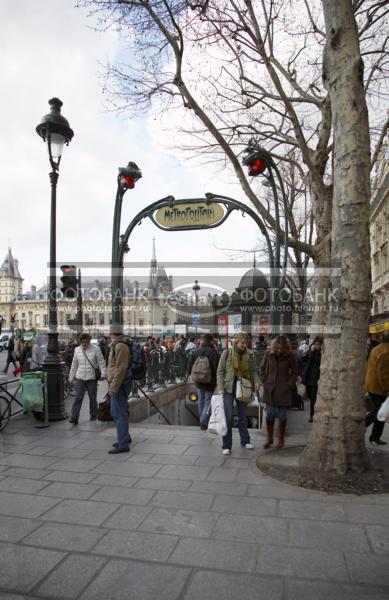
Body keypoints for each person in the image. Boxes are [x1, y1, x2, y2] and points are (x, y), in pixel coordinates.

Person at [217, 332, 260, 455]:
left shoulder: (250, 355)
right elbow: (220, 371)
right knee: (228, 417)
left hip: (243, 388)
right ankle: (226, 445)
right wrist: (220, 388)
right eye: (242, 343)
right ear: (236, 342)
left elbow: (253, 370)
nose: (244, 345)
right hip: (228, 388)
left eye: (246, 343)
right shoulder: (227, 353)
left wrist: (256, 381)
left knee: (242, 416)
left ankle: (245, 441)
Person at [260, 335, 298, 449]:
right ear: (275, 346)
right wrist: (264, 381)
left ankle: (281, 439)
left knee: (282, 416)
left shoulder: (290, 356)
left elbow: (295, 372)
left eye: (282, 347)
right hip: (270, 389)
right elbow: (262, 368)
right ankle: (269, 438)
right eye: (278, 347)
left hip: (283, 390)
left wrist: (289, 385)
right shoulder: (268, 353)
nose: (280, 349)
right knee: (270, 414)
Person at [68, 333, 107, 424]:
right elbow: (74, 365)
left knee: (92, 397)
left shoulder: (96, 349)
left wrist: (104, 374)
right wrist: (71, 378)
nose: (84, 343)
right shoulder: (77, 350)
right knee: (78, 397)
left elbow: (101, 362)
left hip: (92, 377)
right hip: (80, 376)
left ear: (89, 341)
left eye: (86, 342)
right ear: (80, 341)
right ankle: (74, 417)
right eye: (82, 342)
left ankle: (93, 415)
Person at [107, 324, 132, 454]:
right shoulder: (117, 345)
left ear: (111, 333)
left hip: (120, 384)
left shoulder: (120, 346)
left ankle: (123, 444)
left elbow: (120, 369)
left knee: (119, 414)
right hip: (120, 384)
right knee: (118, 412)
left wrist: (113, 387)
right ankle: (125, 437)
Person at [187, 333, 220, 430]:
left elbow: (189, 367)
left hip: (198, 381)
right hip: (209, 382)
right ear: (210, 341)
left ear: (202, 341)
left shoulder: (195, 352)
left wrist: (193, 376)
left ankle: (202, 421)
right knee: (208, 402)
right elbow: (217, 368)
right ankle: (203, 421)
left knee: (200, 401)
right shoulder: (214, 353)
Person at [365, 331, 389, 445]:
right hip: (379, 387)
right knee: (381, 413)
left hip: (372, 385)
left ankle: (362, 425)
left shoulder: (377, 348)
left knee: (377, 411)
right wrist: (387, 388)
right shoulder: (387, 351)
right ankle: (374, 437)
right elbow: (383, 374)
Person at [301, 337, 322, 422]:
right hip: (308, 377)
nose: (316, 346)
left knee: (313, 398)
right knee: (310, 396)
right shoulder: (311, 351)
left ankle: (312, 415)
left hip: (315, 378)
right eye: (315, 344)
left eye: (318, 344)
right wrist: (306, 353)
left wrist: (312, 352)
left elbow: (318, 361)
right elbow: (304, 360)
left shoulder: (320, 353)